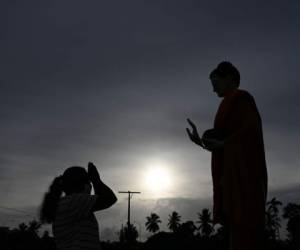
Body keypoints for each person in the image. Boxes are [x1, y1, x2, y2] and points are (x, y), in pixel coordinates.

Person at [186, 61, 268, 250]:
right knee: (235, 230)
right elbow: (223, 143)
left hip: (245, 177)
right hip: (229, 176)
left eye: (216, 82)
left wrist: (224, 143)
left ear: (229, 78)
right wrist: (201, 142)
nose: (213, 89)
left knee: (245, 229)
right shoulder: (225, 104)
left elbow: (250, 131)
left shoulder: (242, 98)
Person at [40, 162, 117, 250]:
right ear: (80, 184)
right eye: (88, 182)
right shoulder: (74, 202)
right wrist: (96, 179)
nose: (90, 185)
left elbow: (101, 199)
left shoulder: (67, 204)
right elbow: (110, 198)